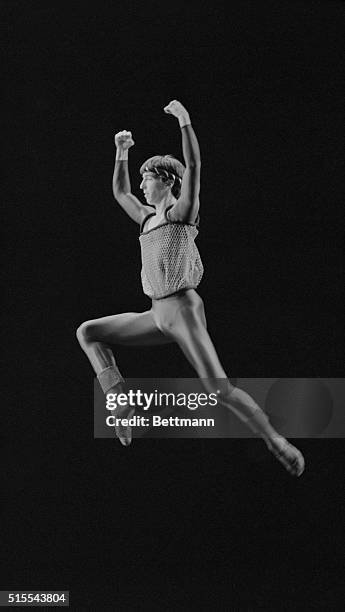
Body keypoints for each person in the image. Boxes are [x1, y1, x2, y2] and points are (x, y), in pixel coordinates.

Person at [76, 100, 305, 477]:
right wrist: (121, 152)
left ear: (166, 180)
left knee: (219, 390)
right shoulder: (146, 219)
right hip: (156, 313)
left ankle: (276, 441)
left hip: (182, 309)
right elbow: (120, 193)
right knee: (88, 332)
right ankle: (119, 401)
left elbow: (195, 167)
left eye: (148, 178)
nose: (142, 185)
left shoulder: (180, 213)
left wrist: (184, 122)